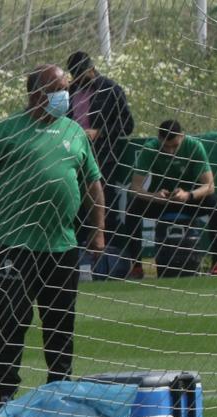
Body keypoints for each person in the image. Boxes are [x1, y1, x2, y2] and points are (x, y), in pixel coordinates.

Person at [0, 64, 106, 411]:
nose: (64, 96)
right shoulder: (7, 130)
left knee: (61, 323)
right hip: (16, 245)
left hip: (62, 246)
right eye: (58, 89)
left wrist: (98, 230)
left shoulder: (74, 131)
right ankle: (6, 394)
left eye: (66, 89)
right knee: (11, 321)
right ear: (35, 94)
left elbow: (92, 184)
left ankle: (60, 392)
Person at [66, 50, 135, 279]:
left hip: (102, 159)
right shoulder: (69, 92)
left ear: (91, 69)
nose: (76, 79)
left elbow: (127, 125)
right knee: (73, 208)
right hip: (72, 156)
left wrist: (100, 132)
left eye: (80, 74)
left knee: (104, 208)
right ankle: (74, 264)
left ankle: (109, 264)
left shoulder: (111, 90)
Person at [127, 120, 217, 274]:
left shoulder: (194, 146)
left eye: (175, 146)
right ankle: (136, 266)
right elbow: (135, 188)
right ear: (159, 138)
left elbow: (210, 186)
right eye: (166, 147)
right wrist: (155, 196)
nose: (171, 151)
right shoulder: (149, 149)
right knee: (132, 210)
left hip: (189, 199)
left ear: (181, 136)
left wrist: (189, 195)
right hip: (162, 200)